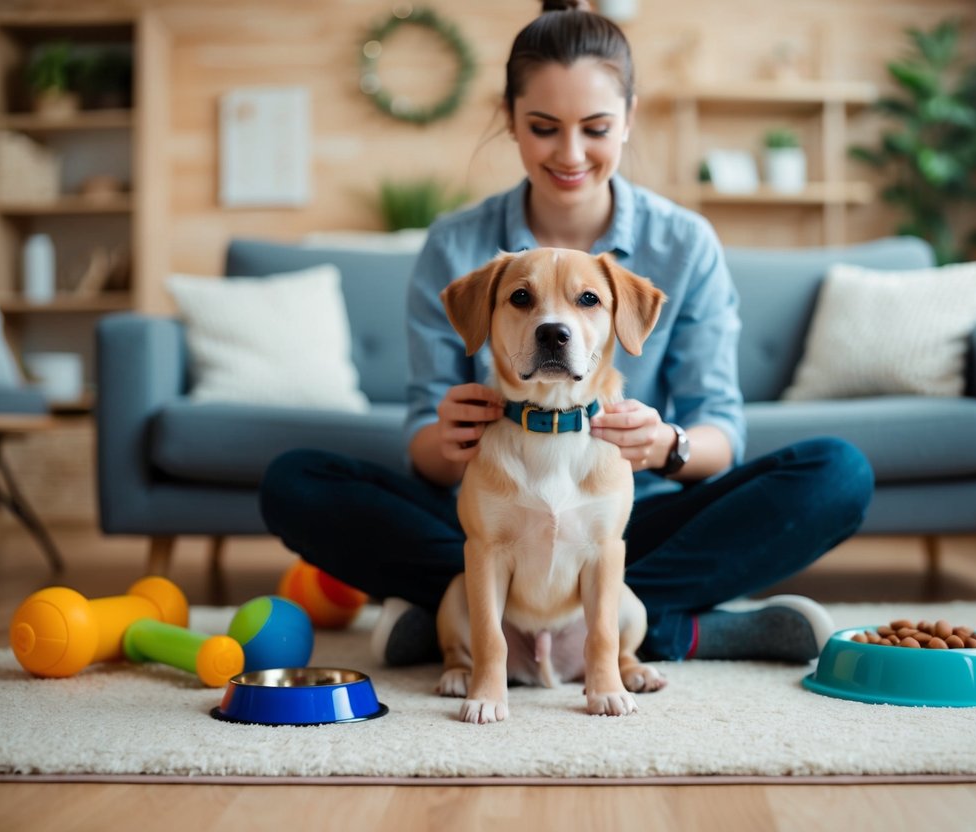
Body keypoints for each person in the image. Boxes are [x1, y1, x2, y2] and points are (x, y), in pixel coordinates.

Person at [259, 0, 873, 667]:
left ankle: (539, 623)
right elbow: (423, 447)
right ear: (509, 121)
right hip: (491, 515)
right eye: (544, 128)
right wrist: (445, 435)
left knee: (836, 473)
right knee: (296, 481)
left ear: (629, 118)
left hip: (629, 517)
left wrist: (664, 445)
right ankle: (546, 618)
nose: (571, 153)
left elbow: (718, 430)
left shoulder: (683, 243)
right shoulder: (457, 246)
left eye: (597, 127)